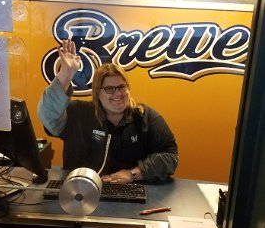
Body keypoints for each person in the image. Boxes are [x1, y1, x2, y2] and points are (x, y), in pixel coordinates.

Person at [38, 39, 178, 184]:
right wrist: (65, 75)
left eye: (122, 87)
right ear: (97, 93)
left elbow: (170, 156)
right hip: (79, 194)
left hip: (130, 197)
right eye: (109, 89)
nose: (118, 94)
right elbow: (48, 117)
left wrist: (134, 173)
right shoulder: (77, 113)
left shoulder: (145, 117)